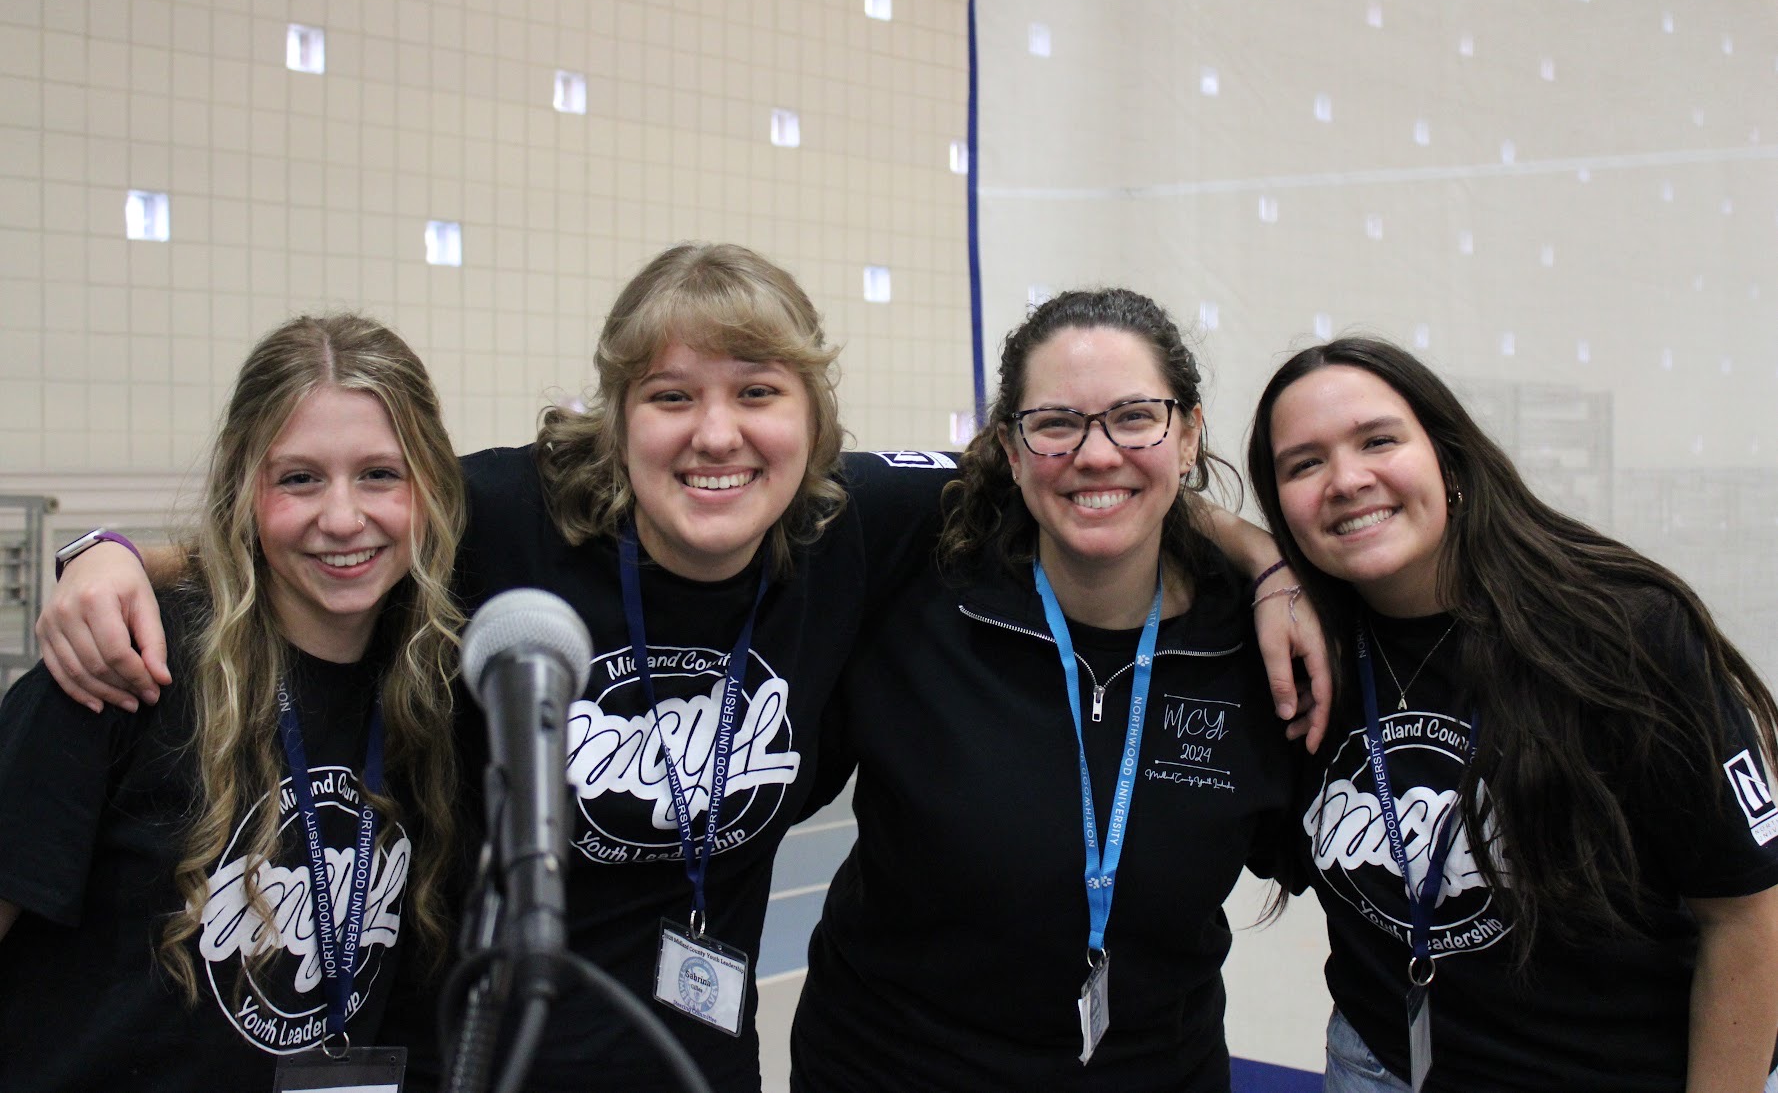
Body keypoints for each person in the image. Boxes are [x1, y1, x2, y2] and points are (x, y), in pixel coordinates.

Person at [35, 246, 1327, 1091]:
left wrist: (1262, 557)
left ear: (812, 416)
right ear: (615, 416)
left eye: (757, 391)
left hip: (698, 1061)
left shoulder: (855, 518)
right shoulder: (511, 514)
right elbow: (329, 520)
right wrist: (114, 557)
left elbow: (1085, 467)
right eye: (668, 396)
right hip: (486, 1055)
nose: (716, 434)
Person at [790, 289, 1295, 1091]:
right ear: (1011, 448)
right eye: (1057, 423)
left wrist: (1270, 565)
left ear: (1189, 434)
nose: (1096, 454)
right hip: (891, 1069)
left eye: (1135, 416)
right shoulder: (918, 597)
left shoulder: (1256, 648)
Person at [1247, 336, 1778, 1093]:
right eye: (1304, 463)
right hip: (1378, 1068)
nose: (1347, 479)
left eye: (1378, 440)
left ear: (1449, 460)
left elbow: (1747, 921)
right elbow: (1162, 503)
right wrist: (1260, 564)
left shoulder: (1622, 632)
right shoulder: (1306, 654)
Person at [0, 314, 464, 1089]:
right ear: (243, 490)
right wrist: (107, 554)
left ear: (431, 489)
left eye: (380, 475)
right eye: (299, 479)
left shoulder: (433, 685)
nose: (343, 517)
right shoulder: (124, 665)